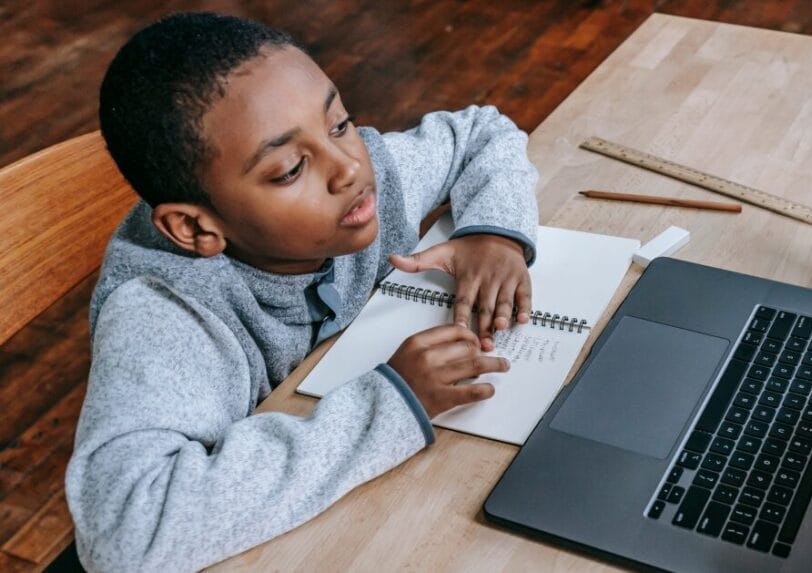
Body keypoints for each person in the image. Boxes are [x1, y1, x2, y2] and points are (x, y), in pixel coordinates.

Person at [65, 11, 539, 572]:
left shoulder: (362, 182)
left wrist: (492, 233)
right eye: (290, 169)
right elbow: (123, 538)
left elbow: (482, 131)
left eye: (340, 122)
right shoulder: (166, 313)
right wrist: (387, 404)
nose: (349, 168)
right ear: (195, 228)